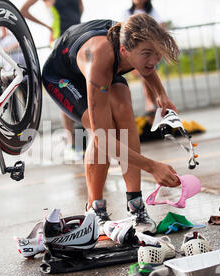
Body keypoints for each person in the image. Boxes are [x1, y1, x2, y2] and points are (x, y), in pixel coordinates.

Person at [42, 14, 181, 234]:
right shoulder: (100, 57)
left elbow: (146, 65)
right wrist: (152, 166)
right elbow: (102, 138)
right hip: (63, 76)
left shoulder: (133, 44)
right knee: (105, 130)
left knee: (125, 113)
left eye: (157, 54)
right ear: (125, 51)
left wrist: (160, 94)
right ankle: (95, 207)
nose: (153, 60)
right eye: (147, 54)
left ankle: (136, 205)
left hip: (102, 67)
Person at [21, 0, 85, 160]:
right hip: (59, 40)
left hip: (78, 40)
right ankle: (71, 144)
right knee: (66, 92)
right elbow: (23, 10)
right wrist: (48, 26)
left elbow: (80, 10)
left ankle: (83, 140)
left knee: (82, 91)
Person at [123, 0, 167, 125]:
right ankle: (150, 101)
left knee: (148, 72)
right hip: (135, 49)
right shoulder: (127, 12)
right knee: (144, 75)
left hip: (149, 48)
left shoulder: (151, 11)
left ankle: (153, 102)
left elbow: (161, 24)